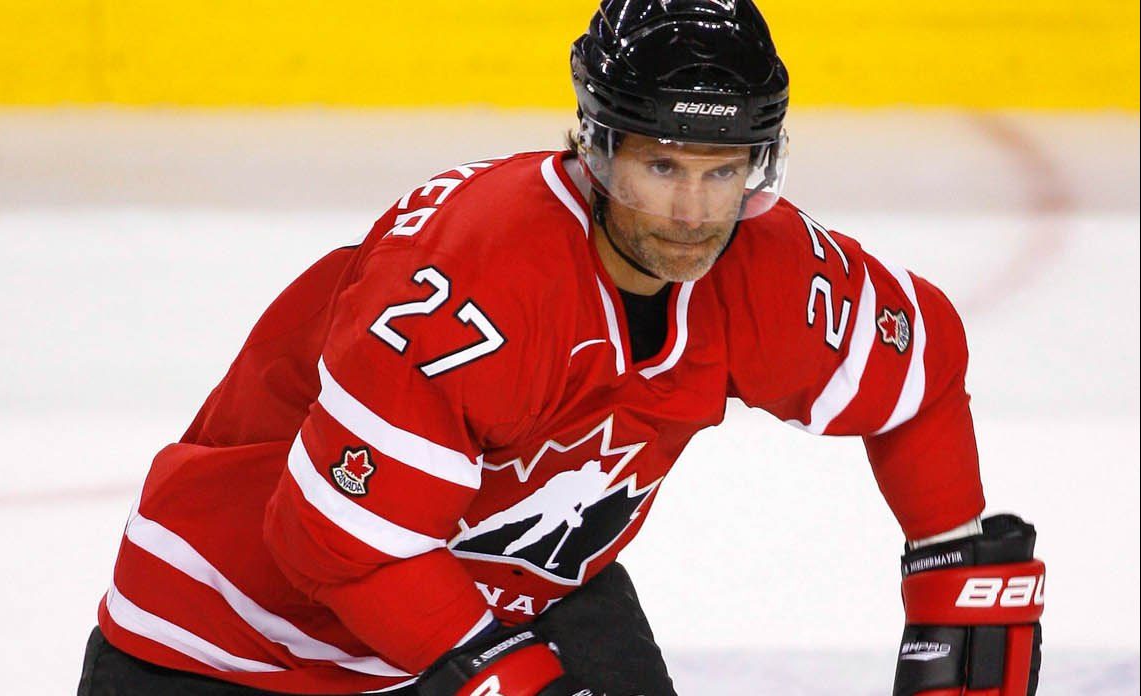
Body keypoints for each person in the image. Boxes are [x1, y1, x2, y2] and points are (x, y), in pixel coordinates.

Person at [77, 1, 1046, 695]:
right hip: (228, 638)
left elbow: (918, 381)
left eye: (722, 169)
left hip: (515, 583)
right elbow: (333, 546)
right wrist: (515, 682)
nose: (692, 211)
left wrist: (955, 568)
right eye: (661, 164)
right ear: (597, 147)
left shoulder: (766, 266)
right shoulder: (480, 281)